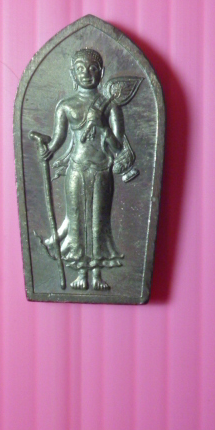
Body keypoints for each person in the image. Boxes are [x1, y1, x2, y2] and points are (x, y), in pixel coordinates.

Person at [36, 48, 133, 291]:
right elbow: (58, 139)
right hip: (76, 170)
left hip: (102, 169)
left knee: (98, 221)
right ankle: (80, 272)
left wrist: (103, 128)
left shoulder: (110, 107)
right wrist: (47, 149)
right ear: (72, 73)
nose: (86, 74)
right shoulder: (66, 106)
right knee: (77, 221)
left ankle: (97, 274)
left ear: (101, 72)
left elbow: (118, 147)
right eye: (80, 69)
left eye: (92, 69)